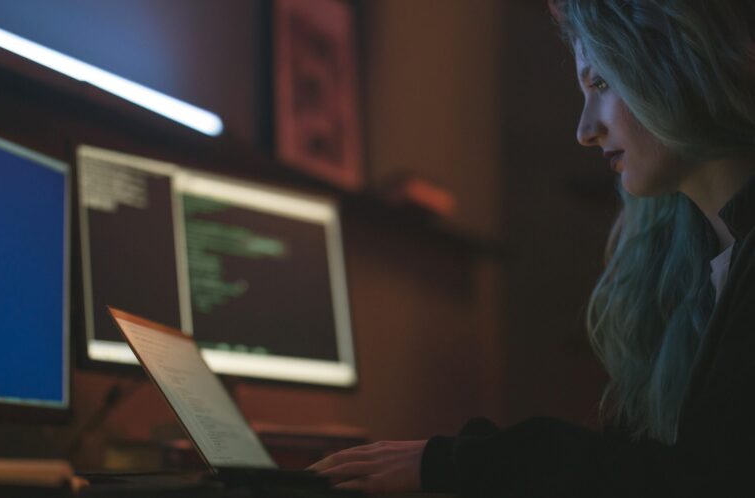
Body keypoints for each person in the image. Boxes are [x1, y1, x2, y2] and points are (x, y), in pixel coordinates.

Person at [309, 1, 755, 495]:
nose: (586, 131)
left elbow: (704, 480)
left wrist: (465, 465)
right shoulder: (695, 267)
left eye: (601, 83)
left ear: (681, 62)